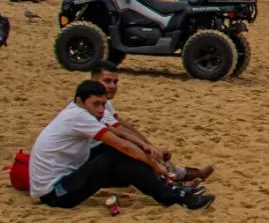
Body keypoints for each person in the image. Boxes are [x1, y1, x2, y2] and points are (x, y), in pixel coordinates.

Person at [28, 80, 213, 210]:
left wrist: (146, 147)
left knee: (120, 155)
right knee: (117, 155)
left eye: (103, 104)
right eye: (96, 104)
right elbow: (121, 145)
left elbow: (119, 133)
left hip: (63, 181)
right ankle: (172, 194)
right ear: (80, 101)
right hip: (56, 193)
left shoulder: (79, 111)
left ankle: (171, 189)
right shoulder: (78, 116)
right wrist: (153, 165)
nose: (100, 110)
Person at [91, 61, 213, 185]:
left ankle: (177, 175)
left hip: (97, 152)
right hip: (88, 161)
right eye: (107, 81)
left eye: (115, 82)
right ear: (94, 81)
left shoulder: (101, 101)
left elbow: (124, 124)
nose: (112, 86)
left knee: (138, 149)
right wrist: (151, 151)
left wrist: (151, 147)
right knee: (131, 152)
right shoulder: (94, 106)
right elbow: (122, 133)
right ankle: (173, 182)